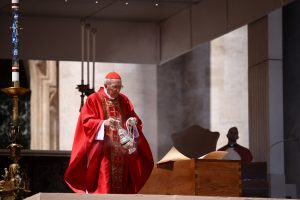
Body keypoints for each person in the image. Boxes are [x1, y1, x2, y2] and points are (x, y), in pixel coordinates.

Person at [64, 71, 154, 194]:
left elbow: (133, 118)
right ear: (106, 86)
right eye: (115, 87)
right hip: (103, 153)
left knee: (122, 186)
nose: (118, 90)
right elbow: (86, 122)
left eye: (120, 87)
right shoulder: (94, 99)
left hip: (122, 153)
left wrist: (132, 122)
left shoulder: (124, 100)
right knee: (104, 182)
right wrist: (103, 123)